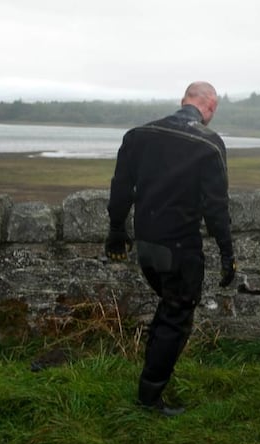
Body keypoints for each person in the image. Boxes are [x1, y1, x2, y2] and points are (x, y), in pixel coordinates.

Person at [104, 81, 237, 416]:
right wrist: (227, 254)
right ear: (210, 107)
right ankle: (149, 399)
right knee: (177, 317)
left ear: (184, 100)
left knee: (168, 312)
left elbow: (121, 188)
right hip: (180, 247)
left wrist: (116, 230)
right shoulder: (208, 143)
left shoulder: (138, 135)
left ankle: (152, 383)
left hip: (147, 246)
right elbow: (216, 208)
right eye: (213, 109)